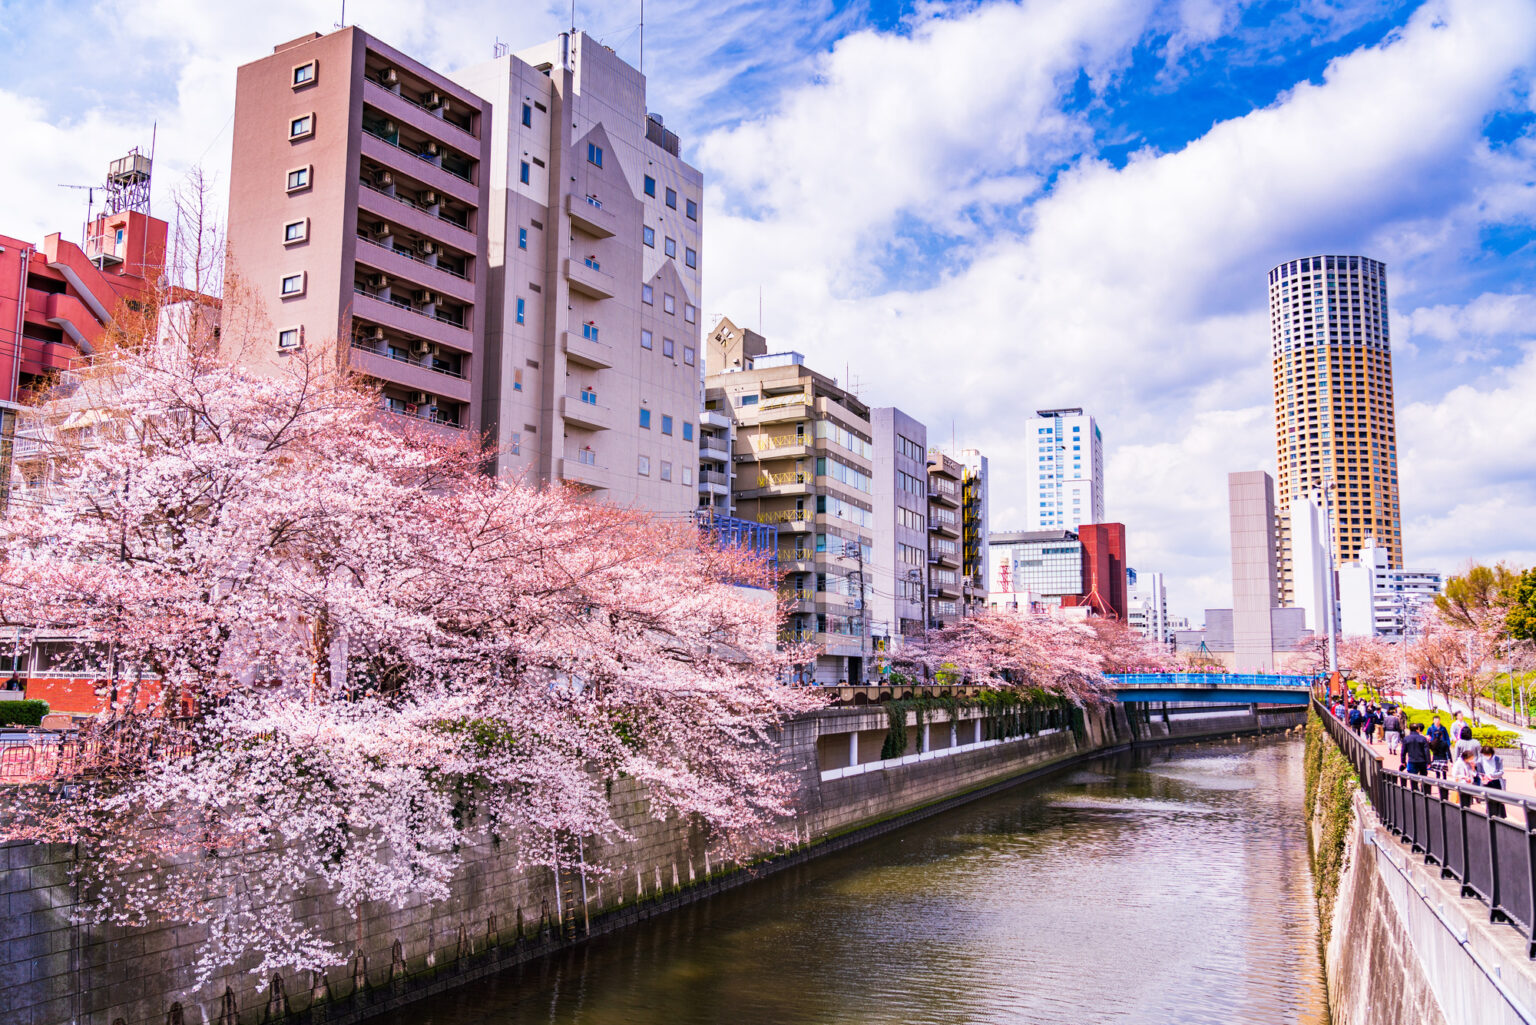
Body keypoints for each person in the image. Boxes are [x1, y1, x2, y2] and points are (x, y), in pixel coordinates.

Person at [1478, 744, 1507, 819]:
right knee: (1489, 801)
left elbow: (1501, 772)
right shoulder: (1480, 760)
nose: (1486, 756)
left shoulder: (1497, 759)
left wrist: (1492, 775)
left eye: (1488, 754)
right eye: (1485, 754)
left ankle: (1500, 817)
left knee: (1499, 800)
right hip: (1486, 782)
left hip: (1496, 782)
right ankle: (1490, 817)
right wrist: (1482, 777)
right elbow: (1479, 772)